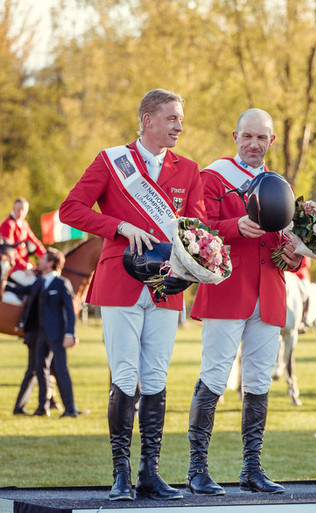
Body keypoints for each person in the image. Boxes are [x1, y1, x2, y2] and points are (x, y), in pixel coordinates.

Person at [59, 88, 207, 501]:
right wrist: (118, 227)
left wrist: (196, 264)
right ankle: (121, 474)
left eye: (181, 118)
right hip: (119, 282)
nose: (180, 125)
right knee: (125, 376)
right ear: (147, 120)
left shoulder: (189, 169)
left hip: (168, 284)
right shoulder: (111, 161)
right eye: (172, 118)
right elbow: (70, 209)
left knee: (156, 377)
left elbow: (198, 228)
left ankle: (149, 474)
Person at [185, 108, 303, 497]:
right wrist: (234, 227)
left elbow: (287, 240)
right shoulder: (214, 175)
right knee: (215, 377)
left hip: (269, 291)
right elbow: (198, 229)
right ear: (236, 136)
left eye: (262, 138)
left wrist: (296, 257)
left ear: (272, 141)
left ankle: (252, 468)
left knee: (258, 382)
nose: (254, 144)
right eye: (247, 136)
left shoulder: (279, 183)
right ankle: (197, 469)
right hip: (226, 290)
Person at [12, 248, 84, 417]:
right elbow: (22, 291)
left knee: (60, 369)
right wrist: (5, 281)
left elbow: (70, 310)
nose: (39, 261)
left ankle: (70, 409)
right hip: (40, 335)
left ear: (51, 263)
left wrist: (70, 333)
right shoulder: (39, 282)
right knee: (40, 368)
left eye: (42, 258)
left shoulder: (61, 283)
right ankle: (42, 408)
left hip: (58, 334)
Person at [0, 198, 46, 291]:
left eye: (23, 210)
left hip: (25, 264)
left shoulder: (24, 223)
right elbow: (9, 252)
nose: (21, 213)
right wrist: (24, 267)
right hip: (13, 266)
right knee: (36, 285)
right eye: (18, 209)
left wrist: (46, 257)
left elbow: (35, 242)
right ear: (13, 208)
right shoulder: (8, 224)